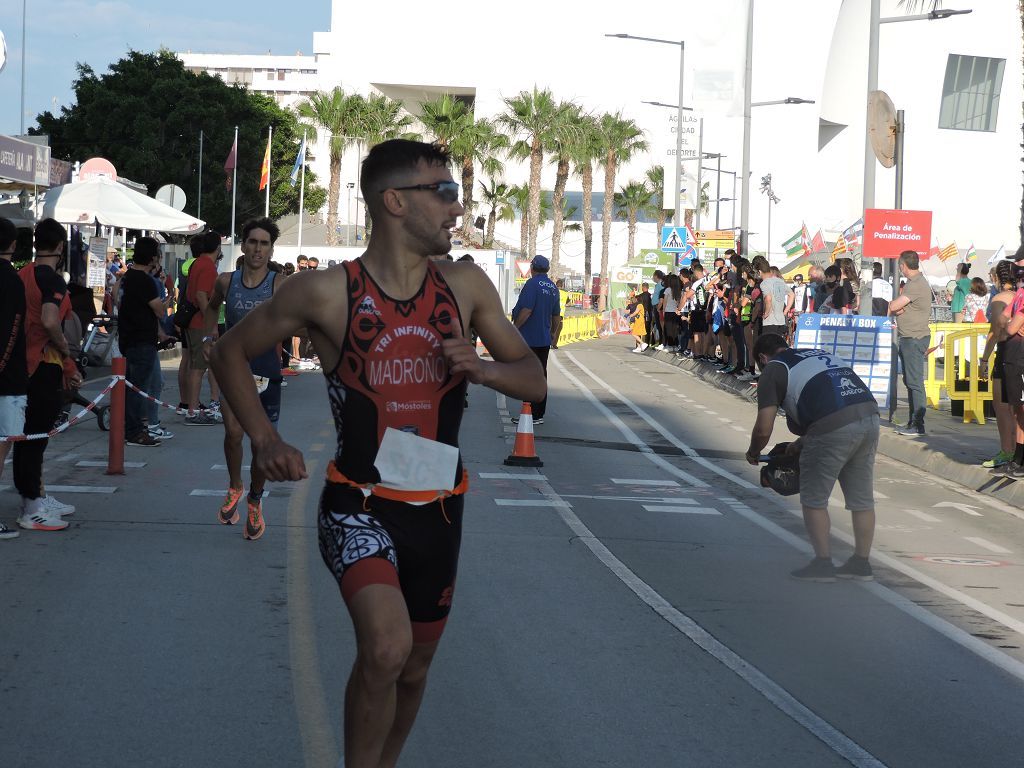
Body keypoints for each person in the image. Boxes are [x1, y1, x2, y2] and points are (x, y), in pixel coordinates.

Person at [209, 138, 544, 768]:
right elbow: (227, 352)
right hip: (357, 505)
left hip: (440, 507)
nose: (455, 206)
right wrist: (266, 438)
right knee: (386, 648)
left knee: (414, 670)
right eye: (442, 192)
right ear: (395, 202)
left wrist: (483, 368)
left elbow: (534, 378)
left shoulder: (466, 286)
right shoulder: (327, 293)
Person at [745, 333, 880, 581]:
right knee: (861, 498)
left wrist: (754, 452)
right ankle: (861, 563)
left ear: (762, 358)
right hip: (870, 416)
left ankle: (823, 563)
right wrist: (803, 441)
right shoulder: (816, 354)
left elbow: (764, 428)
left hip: (833, 425)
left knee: (814, 498)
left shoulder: (773, 369)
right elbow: (830, 402)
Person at [201, 218, 285, 539]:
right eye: (252, 242)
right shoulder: (226, 281)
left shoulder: (279, 284)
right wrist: (209, 338)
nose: (257, 249)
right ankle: (235, 485)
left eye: (264, 244)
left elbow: (299, 314)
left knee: (262, 447)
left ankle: (254, 499)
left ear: (271, 249)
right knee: (233, 433)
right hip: (234, 367)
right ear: (243, 245)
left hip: (266, 370)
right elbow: (211, 308)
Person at [15, 218, 81, 531]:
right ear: (60, 247)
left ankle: (37, 496)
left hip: (21, 366)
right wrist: (67, 354)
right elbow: (51, 321)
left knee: (28, 437)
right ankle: (31, 507)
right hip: (42, 366)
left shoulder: (23, 274)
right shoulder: (52, 280)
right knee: (34, 438)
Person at [119, 237, 166, 447]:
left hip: (129, 338)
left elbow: (117, 297)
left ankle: (132, 429)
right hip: (141, 340)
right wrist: (165, 302)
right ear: (152, 258)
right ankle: (136, 432)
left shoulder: (127, 277)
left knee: (132, 387)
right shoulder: (145, 281)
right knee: (139, 388)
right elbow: (158, 309)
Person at [0, 218, 28, 539]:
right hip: (7, 381)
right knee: (2, 446)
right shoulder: (11, 280)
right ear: (12, 245)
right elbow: (12, 329)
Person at [511, 254, 561, 425]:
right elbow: (556, 316)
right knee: (541, 375)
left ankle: (528, 413)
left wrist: (514, 329)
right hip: (544, 339)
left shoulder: (532, 285)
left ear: (532, 268)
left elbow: (526, 311)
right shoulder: (553, 288)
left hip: (529, 338)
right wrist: (553, 334)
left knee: (527, 375)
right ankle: (538, 414)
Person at [888, 250, 932, 436]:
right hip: (910, 337)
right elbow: (899, 308)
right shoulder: (916, 283)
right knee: (910, 380)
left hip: (914, 338)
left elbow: (893, 306)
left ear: (903, 265)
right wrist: (899, 308)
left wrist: (897, 307)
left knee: (914, 382)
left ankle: (917, 424)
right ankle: (912, 422)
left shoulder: (916, 284)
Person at [980, 260, 1017, 470]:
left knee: (1001, 407)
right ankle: (1015, 450)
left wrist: (984, 360)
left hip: (1005, 351)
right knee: (1017, 408)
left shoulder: (999, 299)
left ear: (996, 278)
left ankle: (1006, 450)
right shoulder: (1019, 297)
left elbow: (994, 333)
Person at [183, 230, 222, 425]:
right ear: (217, 247)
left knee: (206, 364)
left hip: (195, 322)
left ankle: (212, 403)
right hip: (200, 324)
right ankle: (193, 410)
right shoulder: (208, 266)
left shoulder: (198, 263)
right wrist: (211, 322)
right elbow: (201, 295)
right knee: (199, 367)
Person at [756, 257, 791, 338]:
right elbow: (792, 295)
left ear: (760, 272)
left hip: (770, 321)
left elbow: (768, 298)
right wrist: (785, 312)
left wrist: (766, 313)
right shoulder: (780, 281)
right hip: (780, 320)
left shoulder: (764, 283)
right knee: (777, 346)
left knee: (769, 347)